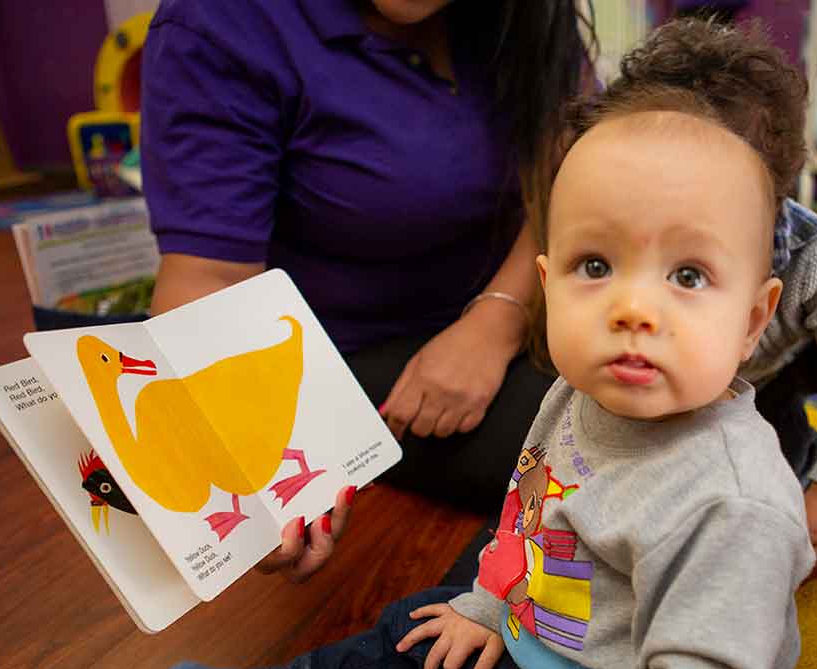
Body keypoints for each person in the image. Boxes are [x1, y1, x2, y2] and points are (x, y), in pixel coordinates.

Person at [162, 19, 817, 669]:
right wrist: (484, 604)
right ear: (546, 286)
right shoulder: (576, 398)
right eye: (594, 266)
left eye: (688, 276)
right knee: (414, 623)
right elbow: (529, 519)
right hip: (540, 648)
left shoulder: (736, 501)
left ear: (756, 316)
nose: (633, 308)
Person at [140, 0, 593, 529]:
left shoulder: (528, 17)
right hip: (330, 363)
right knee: (611, 454)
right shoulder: (221, 24)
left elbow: (564, 178)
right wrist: (255, 485)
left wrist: (496, 321)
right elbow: (207, 285)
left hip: (517, 315)